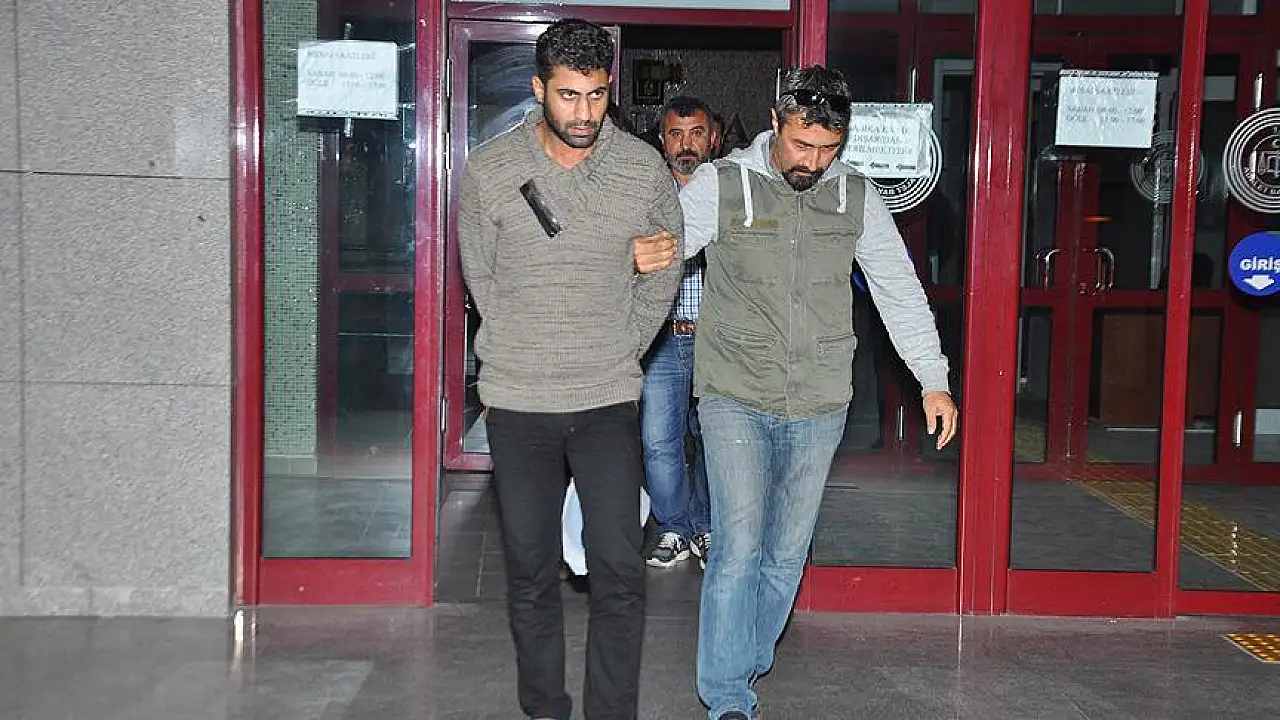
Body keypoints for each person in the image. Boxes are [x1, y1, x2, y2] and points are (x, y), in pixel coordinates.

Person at [634, 66, 959, 720]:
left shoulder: (857, 197)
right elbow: (662, 252)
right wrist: (636, 259)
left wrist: (934, 380)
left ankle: (747, 656)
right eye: (801, 144)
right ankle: (727, 696)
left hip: (819, 400)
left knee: (785, 553)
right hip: (733, 392)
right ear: (775, 123)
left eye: (827, 149)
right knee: (737, 547)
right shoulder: (724, 184)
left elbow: (898, 290)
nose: (812, 161)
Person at [457, 18, 683, 720]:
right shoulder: (492, 170)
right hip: (519, 400)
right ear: (539, 89)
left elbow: (665, 267)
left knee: (619, 568)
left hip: (606, 396)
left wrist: (620, 345)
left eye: (597, 94)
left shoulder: (642, 169)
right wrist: (524, 346)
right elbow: (482, 280)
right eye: (568, 95)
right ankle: (545, 708)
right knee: (529, 570)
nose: (584, 112)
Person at [642, 96, 719, 570]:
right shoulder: (647, 196)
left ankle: (706, 526)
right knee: (658, 440)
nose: (686, 144)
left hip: (717, 339)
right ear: (662, 140)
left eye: (696, 133)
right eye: (676, 133)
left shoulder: (729, 193)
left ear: (714, 138)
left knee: (715, 437)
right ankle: (673, 528)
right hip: (662, 338)